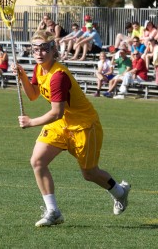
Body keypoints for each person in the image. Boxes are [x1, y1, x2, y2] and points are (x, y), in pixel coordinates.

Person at [12, 30, 131, 227]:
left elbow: (56, 112)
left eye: (44, 49)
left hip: (84, 125)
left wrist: (31, 122)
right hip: (62, 124)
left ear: (53, 50)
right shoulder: (38, 69)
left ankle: (120, 192)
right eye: (35, 49)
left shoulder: (58, 76)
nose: (39, 53)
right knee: (37, 161)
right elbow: (33, 95)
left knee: (89, 173)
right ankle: (53, 211)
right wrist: (23, 77)